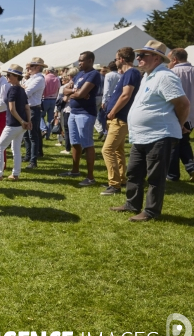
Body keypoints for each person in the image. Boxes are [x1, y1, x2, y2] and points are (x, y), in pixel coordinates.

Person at [110, 40, 190, 221]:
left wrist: (178, 124)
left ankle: (151, 211)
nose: (138, 58)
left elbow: (183, 104)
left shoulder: (165, 77)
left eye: (143, 55)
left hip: (159, 134)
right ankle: (132, 204)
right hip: (142, 136)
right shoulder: (148, 76)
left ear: (156, 58)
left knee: (155, 176)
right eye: (139, 55)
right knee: (134, 172)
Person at [100, 47, 140, 195]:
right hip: (117, 118)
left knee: (107, 150)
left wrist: (113, 111)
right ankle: (121, 179)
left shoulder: (131, 73)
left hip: (119, 118)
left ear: (122, 59)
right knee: (118, 150)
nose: (115, 61)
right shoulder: (129, 73)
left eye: (116, 59)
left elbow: (126, 95)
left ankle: (114, 185)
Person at [60, 51, 101, 186]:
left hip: (85, 113)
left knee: (87, 144)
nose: (79, 63)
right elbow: (64, 90)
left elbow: (82, 94)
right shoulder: (79, 74)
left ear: (90, 60)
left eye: (82, 60)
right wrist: (74, 92)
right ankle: (75, 170)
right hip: (74, 112)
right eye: (79, 60)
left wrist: (77, 93)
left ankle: (90, 177)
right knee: (75, 142)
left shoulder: (93, 74)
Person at [0, 64, 31, 181]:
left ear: (16, 76)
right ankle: (15, 174)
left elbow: (11, 109)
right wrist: (28, 121)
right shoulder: (21, 89)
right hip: (21, 125)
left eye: (9, 75)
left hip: (13, 124)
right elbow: (27, 107)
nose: (7, 77)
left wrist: (22, 121)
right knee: (15, 149)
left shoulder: (12, 89)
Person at [166, 48, 194, 182]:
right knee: (183, 142)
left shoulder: (171, 73)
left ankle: (172, 174)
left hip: (176, 113)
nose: (168, 63)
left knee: (173, 145)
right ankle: (191, 168)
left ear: (175, 60)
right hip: (192, 115)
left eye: (169, 61)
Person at [22, 57, 46, 169]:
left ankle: (33, 160)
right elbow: (24, 90)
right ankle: (29, 156)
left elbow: (26, 92)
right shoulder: (32, 78)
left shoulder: (39, 79)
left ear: (37, 67)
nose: (28, 68)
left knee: (32, 135)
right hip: (29, 108)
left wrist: (23, 88)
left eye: (31, 66)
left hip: (33, 108)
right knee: (27, 134)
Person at [42, 67, 61, 141]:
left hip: (45, 99)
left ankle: (44, 129)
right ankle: (48, 135)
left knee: (41, 116)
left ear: (48, 71)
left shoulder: (44, 78)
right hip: (54, 100)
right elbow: (59, 88)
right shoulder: (57, 79)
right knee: (50, 119)